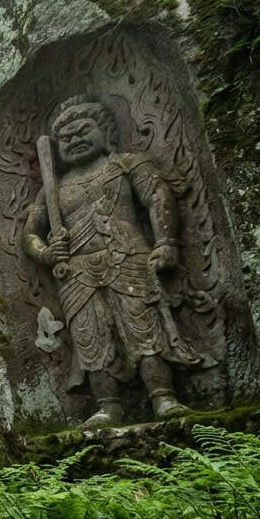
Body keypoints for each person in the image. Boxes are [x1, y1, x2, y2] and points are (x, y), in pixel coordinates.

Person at [23, 96, 200, 426]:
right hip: (76, 270)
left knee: (144, 331)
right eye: (67, 137)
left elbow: (158, 197)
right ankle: (108, 405)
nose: (75, 139)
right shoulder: (54, 190)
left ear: (106, 133)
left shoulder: (126, 165)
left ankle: (163, 397)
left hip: (127, 256)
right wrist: (47, 253)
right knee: (90, 340)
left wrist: (166, 242)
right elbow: (29, 232)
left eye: (83, 130)